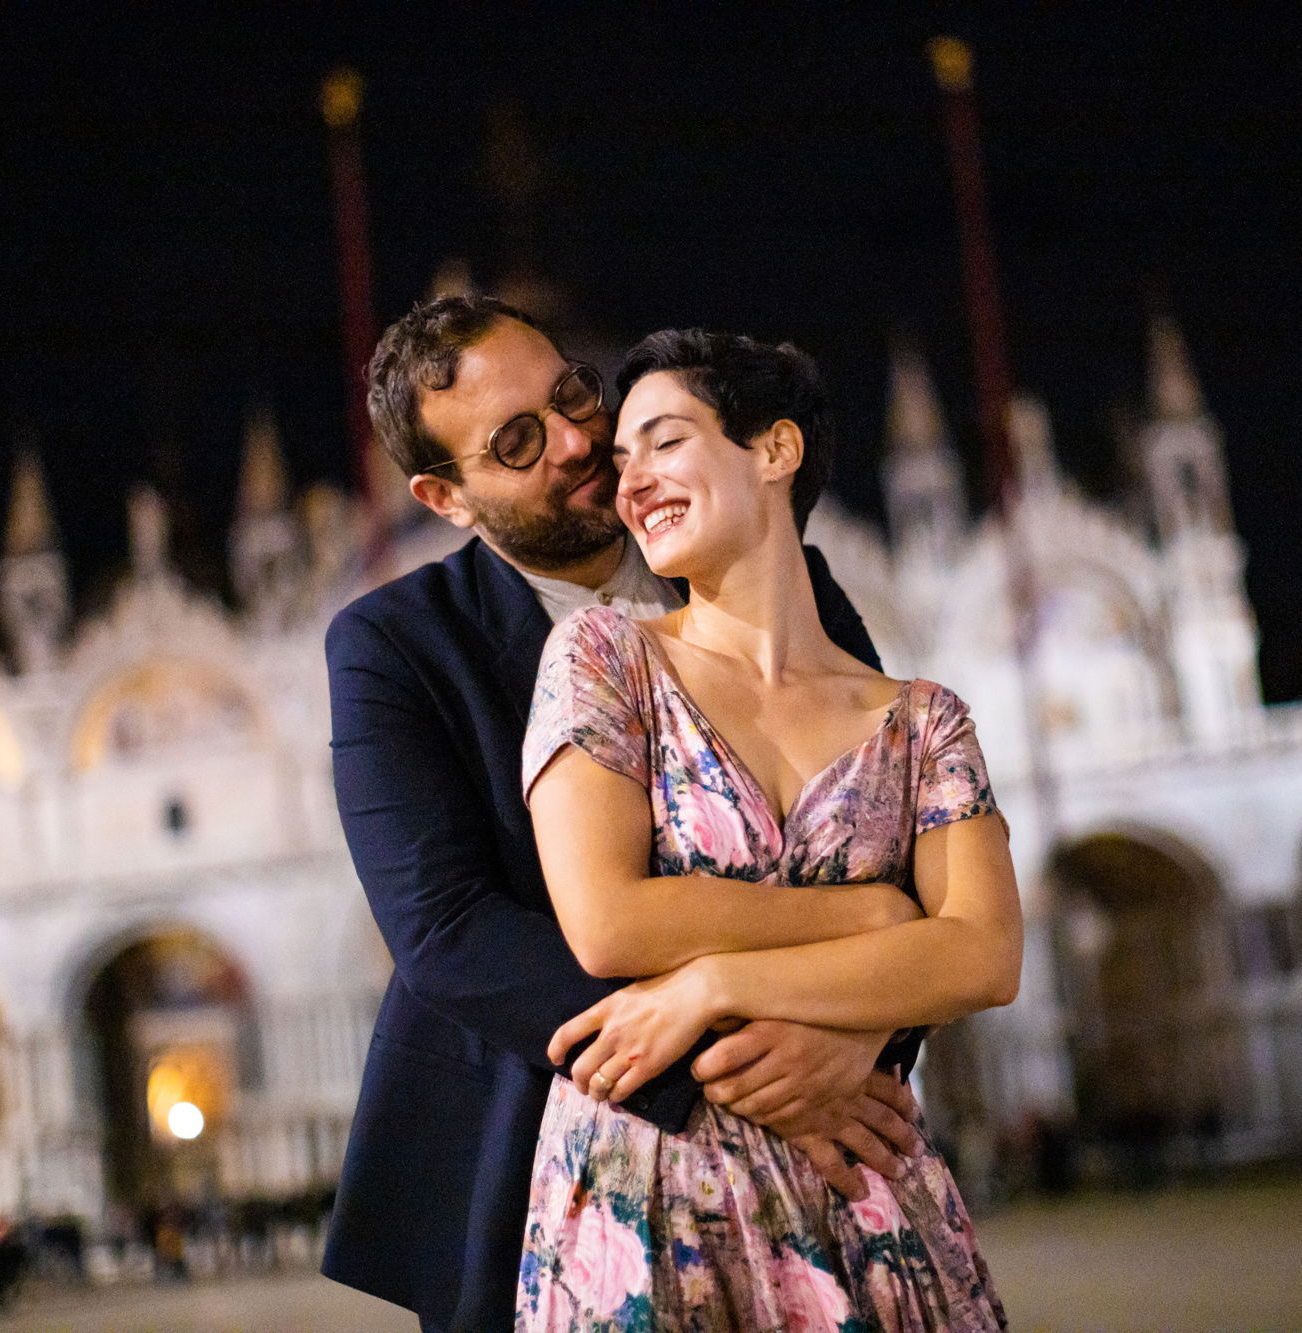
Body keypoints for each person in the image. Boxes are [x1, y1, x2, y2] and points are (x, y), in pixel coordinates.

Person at [322, 296, 930, 1332]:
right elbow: (449, 934)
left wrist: (866, 1034)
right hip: (537, 1166)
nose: (575, 440)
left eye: (571, 394)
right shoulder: (396, 644)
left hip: (823, 1142)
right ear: (445, 495)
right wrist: (747, 1070)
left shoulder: (778, 577)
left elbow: (892, 841)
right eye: (517, 442)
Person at [516, 330, 1019, 1328]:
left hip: (864, 1190)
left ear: (774, 450)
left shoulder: (922, 719)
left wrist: (713, 981)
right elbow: (608, 920)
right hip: (655, 1202)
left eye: (662, 442)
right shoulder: (603, 657)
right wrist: (879, 923)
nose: (631, 484)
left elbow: (985, 953)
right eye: (620, 462)